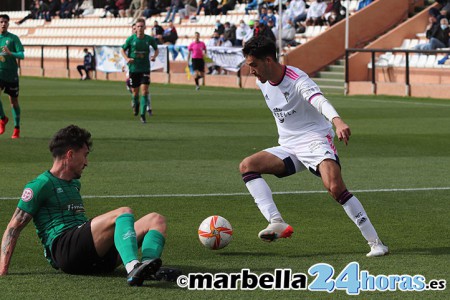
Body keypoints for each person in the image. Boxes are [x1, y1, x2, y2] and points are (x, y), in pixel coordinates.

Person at [240, 36, 389, 257]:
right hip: (289, 146)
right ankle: (276, 221)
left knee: (335, 188)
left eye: (253, 65)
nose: (251, 71)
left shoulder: (297, 79)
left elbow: (318, 100)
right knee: (247, 166)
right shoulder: (261, 81)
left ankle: (376, 243)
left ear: (269, 60)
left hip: (315, 141)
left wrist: (337, 120)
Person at [0, 125, 169, 286]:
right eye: (85, 155)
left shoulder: (74, 184)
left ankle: (147, 267)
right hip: (64, 249)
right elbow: (13, 227)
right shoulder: (40, 185)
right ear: (70, 154)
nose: (87, 162)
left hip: (92, 256)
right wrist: (3, 270)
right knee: (123, 213)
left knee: (156, 219)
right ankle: (133, 267)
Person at [121, 18, 159, 123]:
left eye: (142, 26)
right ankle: (135, 103)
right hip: (134, 69)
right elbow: (122, 49)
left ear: (145, 27)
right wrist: (127, 59)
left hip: (145, 69)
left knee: (145, 91)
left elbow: (156, 49)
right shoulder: (131, 39)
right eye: (138, 26)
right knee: (135, 92)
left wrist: (154, 56)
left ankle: (143, 115)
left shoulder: (149, 39)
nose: (140, 28)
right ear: (135, 28)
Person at [0, 14, 24, 139]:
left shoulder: (13, 38)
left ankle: (17, 128)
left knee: (13, 103)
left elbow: (22, 55)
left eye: (5, 22)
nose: (3, 24)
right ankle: (3, 118)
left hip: (11, 75)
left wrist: (11, 53)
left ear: (8, 24)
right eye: (1, 22)